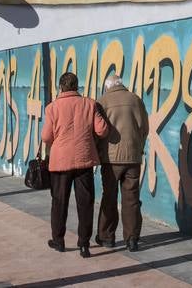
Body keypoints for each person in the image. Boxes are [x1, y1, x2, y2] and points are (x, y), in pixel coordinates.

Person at [42, 71, 108, 257]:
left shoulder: (52, 108)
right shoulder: (90, 104)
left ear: (60, 87)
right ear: (77, 86)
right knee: (85, 203)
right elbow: (102, 130)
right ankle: (84, 244)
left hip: (60, 162)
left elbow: (46, 136)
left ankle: (58, 240)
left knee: (59, 202)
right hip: (84, 160)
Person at [95, 75, 149, 252]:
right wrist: (138, 147)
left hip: (110, 160)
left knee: (109, 197)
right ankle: (132, 239)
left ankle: (106, 237)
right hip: (133, 157)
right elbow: (144, 128)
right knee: (131, 199)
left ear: (107, 86)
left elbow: (98, 131)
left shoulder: (102, 102)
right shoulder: (135, 100)